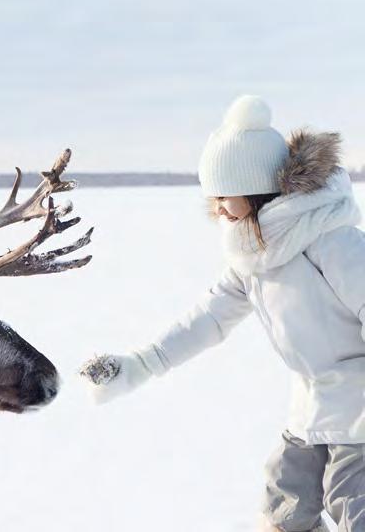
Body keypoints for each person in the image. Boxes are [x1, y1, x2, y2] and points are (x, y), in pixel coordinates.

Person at [80, 95, 365, 532]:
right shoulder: (253, 260)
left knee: (353, 504)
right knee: (283, 512)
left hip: (358, 410)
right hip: (309, 410)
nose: (216, 209)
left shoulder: (333, 241)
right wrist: (139, 365)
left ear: (254, 190)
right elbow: (207, 320)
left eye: (223, 195)